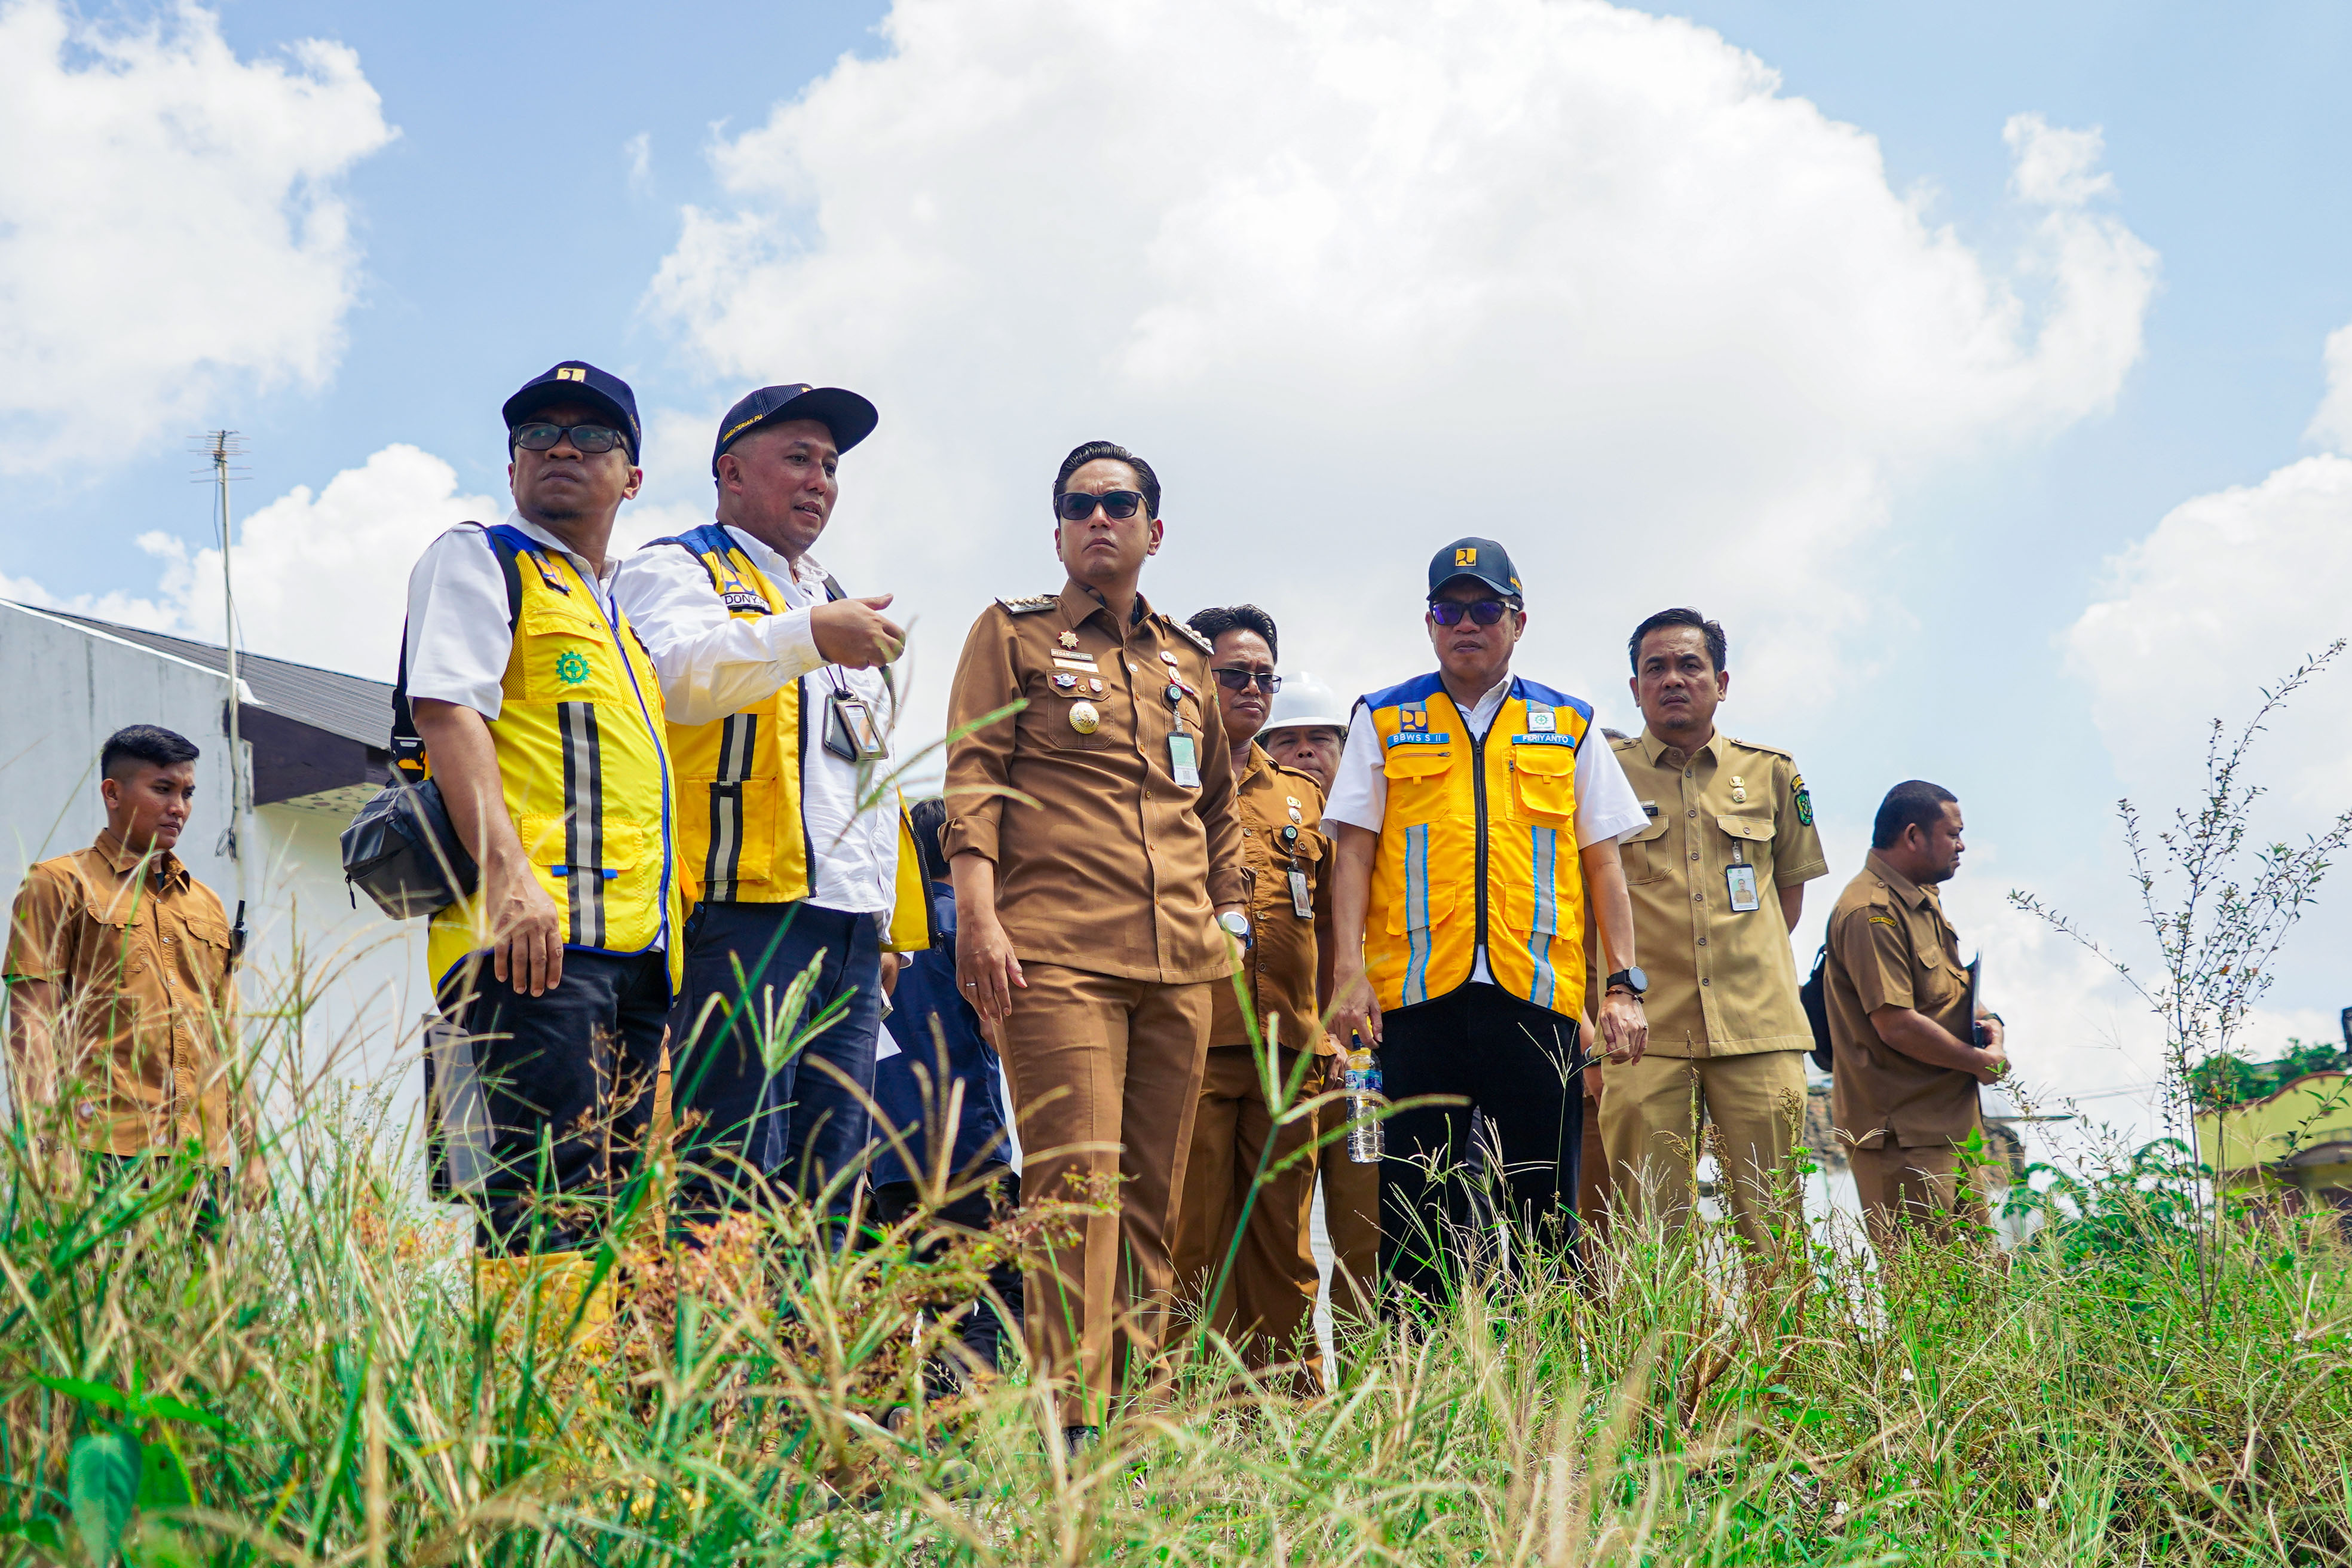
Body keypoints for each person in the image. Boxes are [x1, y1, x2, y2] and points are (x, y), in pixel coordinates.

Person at [942, 439, 1246, 1446]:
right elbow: (974, 780)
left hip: (1181, 968)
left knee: (1155, 1203)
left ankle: (1134, 1424)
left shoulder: (1188, 662)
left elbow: (1217, 808)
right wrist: (978, 918)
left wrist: (1227, 922)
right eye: (1078, 504)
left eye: (1119, 503)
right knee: (1076, 1192)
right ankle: (1065, 1432)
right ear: (1060, 528)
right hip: (1058, 956)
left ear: (1155, 530)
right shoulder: (1013, 633)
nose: (1098, 518)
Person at [613, 382, 927, 1229]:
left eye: (830, 465)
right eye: (798, 458)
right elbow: (681, 678)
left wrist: (889, 924)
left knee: (828, 1186)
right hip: (745, 914)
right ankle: (710, 1360)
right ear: (731, 473)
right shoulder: (672, 567)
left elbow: (868, 772)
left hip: (852, 933)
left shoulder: (832, 588)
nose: (820, 479)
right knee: (729, 1174)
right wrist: (810, 635)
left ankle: (799, 1362)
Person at [401, 360, 684, 1267]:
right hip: (528, 947)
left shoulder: (619, 620)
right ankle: (541, 1410)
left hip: (634, 962)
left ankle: (610, 1409)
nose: (562, 446)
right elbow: (446, 711)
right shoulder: (482, 558)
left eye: (593, 435)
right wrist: (511, 881)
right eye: (537, 435)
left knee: (632, 1217)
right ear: (513, 464)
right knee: (544, 1207)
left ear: (632, 477)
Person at [1326, 538, 1649, 1306]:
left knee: (1542, 1211)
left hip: (1535, 1000)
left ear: (1518, 619)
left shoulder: (1569, 723)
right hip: (1417, 1005)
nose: (1465, 624)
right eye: (1449, 609)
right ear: (1429, 622)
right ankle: (1424, 1396)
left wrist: (1622, 986)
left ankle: (1545, 1395)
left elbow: (1603, 864)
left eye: (1484, 608)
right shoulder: (1383, 716)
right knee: (1416, 1214)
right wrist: (1348, 976)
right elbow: (1352, 856)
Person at [1601, 609, 1827, 1255]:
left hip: (1758, 1029)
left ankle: (1784, 1359)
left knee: (1775, 1233)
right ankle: (1664, 1362)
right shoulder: (1599, 775)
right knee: (1651, 1239)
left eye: (1690, 665)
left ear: (1721, 682)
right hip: (1646, 1037)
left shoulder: (1772, 773)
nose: (1673, 678)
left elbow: (1788, 899)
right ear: (1635, 686)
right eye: (1656, 667)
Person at [5, 725, 266, 1211]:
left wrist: (251, 1149)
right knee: (97, 1288)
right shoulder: (57, 885)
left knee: (205, 1290)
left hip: (201, 1161)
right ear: (113, 793)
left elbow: (226, 1036)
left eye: (187, 793)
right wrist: (48, 1145)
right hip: (100, 1154)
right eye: (163, 789)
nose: (180, 807)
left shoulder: (207, 905)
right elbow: (30, 1029)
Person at [1171, 604, 1331, 1387]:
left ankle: (1290, 1412)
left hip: (1290, 1049)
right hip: (1192, 1043)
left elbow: (1334, 920)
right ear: (1198, 677)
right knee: (1192, 1241)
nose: (1254, 690)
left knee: (1283, 1242)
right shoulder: (1158, 780)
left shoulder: (1298, 795)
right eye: (1235, 675)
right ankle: (1191, 1415)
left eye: (1266, 677)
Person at [868, 795, 1021, 1373]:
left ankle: (914, 1421)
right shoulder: (972, 929)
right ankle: (948, 1417)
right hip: (969, 1151)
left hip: (891, 1163)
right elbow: (998, 1029)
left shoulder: (885, 937)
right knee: (1001, 1292)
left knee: (936, 1298)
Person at [1824, 780, 2010, 1252]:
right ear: (1912, 836)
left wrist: (1992, 1024)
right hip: (1903, 1137)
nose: (1962, 845)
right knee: (1925, 1294)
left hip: (1949, 1126)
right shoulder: (1871, 911)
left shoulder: (1920, 897)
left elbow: (1946, 987)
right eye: (1953, 834)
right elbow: (1896, 1022)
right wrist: (1977, 1061)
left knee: (1980, 1289)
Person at [1260, 669, 1380, 1324]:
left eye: (1320, 739)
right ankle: (1286, 1392)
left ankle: (1374, 1390)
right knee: (1280, 1231)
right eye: (1288, 740)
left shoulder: (1379, 829)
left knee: (1369, 1227)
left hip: (1367, 1061)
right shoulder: (1248, 829)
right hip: (1286, 1060)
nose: (1305, 752)